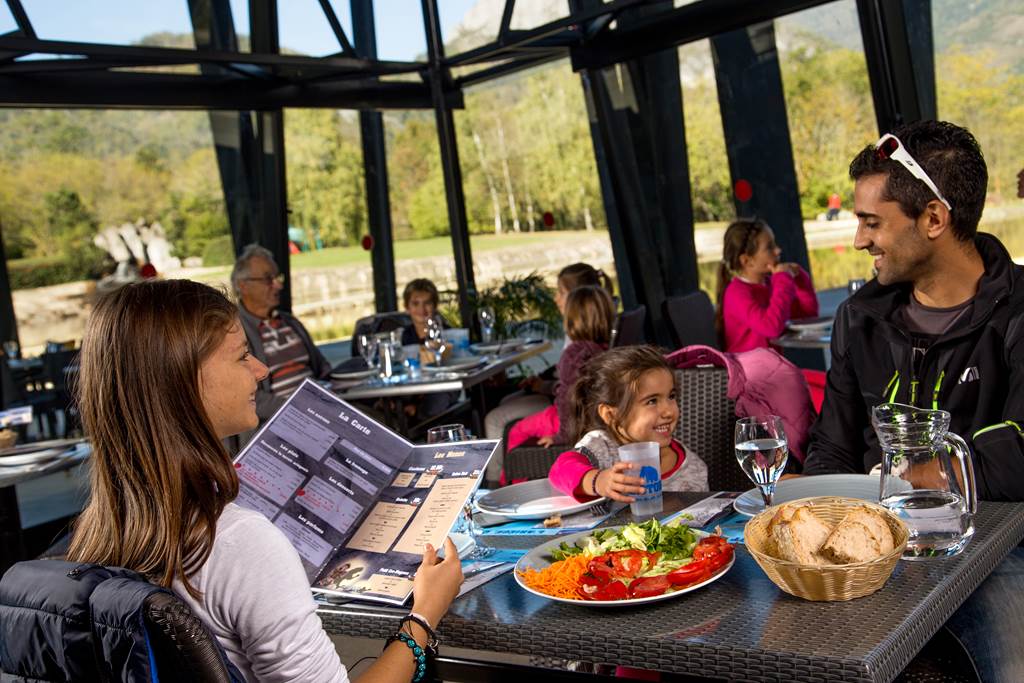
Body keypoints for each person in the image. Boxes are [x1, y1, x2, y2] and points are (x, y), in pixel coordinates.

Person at [65, 279, 463, 683]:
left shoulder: (93, 536)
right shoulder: (240, 543)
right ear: (184, 380)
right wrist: (424, 616)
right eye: (242, 357)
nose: (261, 370)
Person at [804, 120, 1024, 501]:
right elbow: (831, 450)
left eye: (872, 223)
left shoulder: (1017, 312)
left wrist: (911, 479)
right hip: (877, 542)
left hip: (998, 546)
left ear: (934, 219)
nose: (859, 241)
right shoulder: (858, 317)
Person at [548, 345, 708, 501]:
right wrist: (598, 481)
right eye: (652, 401)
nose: (668, 411)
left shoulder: (693, 469)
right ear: (610, 414)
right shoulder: (602, 447)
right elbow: (560, 470)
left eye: (671, 396)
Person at [482, 262, 614, 444]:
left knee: (496, 420)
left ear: (577, 297)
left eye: (561, 292)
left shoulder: (577, 348)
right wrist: (542, 384)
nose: (556, 299)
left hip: (565, 417)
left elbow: (570, 392)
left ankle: (501, 473)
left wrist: (562, 436)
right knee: (507, 401)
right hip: (572, 411)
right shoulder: (596, 339)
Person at [503, 286, 615, 477]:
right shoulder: (602, 349)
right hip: (587, 418)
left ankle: (513, 485)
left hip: (568, 420)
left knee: (515, 431)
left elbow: (566, 397)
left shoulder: (574, 353)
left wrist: (562, 436)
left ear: (571, 320)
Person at [231, 244, 330, 425]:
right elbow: (244, 397)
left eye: (277, 277)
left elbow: (323, 370)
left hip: (319, 412)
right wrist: (298, 408)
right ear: (243, 286)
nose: (278, 285)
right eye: (268, 279)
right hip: (279, 422)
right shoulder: (234, 333)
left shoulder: (290, 322)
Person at [716, 218, 819, 352]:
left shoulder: (771, 285)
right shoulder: (736, 293)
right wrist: (782, 280)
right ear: (747, 261)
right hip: (749, 371)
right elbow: (771, 327)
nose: (778, 250)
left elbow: (807, 315)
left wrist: (800, 280)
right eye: (769, 247)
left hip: (772, 368)